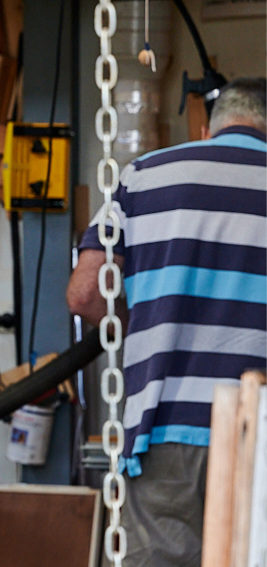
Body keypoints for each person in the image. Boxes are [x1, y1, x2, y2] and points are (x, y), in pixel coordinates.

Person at [66, 78, 267, 567]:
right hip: (260, 431)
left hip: (164, 425)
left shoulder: (145, 174)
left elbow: (86, 293)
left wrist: (152, 321)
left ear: (205, 129)